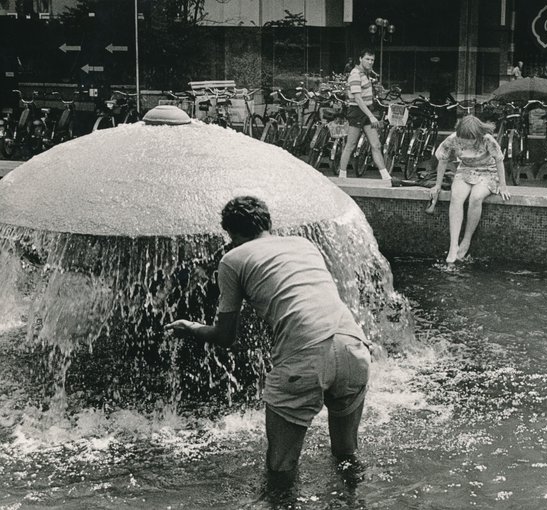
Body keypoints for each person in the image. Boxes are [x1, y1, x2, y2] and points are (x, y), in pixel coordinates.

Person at [164, 196, 371, 484]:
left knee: (281, 468)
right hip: (353, 345)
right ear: (268, 223)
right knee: (346, 455)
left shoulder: (233, 259)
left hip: (305, 357)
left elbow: (225, 336)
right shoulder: (303, 244)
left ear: (232, 234)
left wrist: (192, 328)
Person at [428, 116, 511, 264]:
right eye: (463, 138)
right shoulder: (452, 139)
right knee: (457, 197)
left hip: (488, 172)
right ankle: (453, 245)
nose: (466, 142)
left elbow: (499, 160)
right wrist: (437, 185)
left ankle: (466, 240)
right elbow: (443, 160)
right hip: (465, 170)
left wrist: (503, 186)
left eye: (470, 139)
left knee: (476, 197)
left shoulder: (487, 139)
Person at [338, 48, 391, 184]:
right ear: (360, 59)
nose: (370, 62)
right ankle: (342, 176)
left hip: (367, 110)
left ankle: (386, 177)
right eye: (367, 59)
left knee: (376, 144)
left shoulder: (365, 73)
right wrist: (371, 116)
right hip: (357, 111)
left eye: (372, 60)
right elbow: (358, 99)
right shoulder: (355, 74)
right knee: (351, 144)